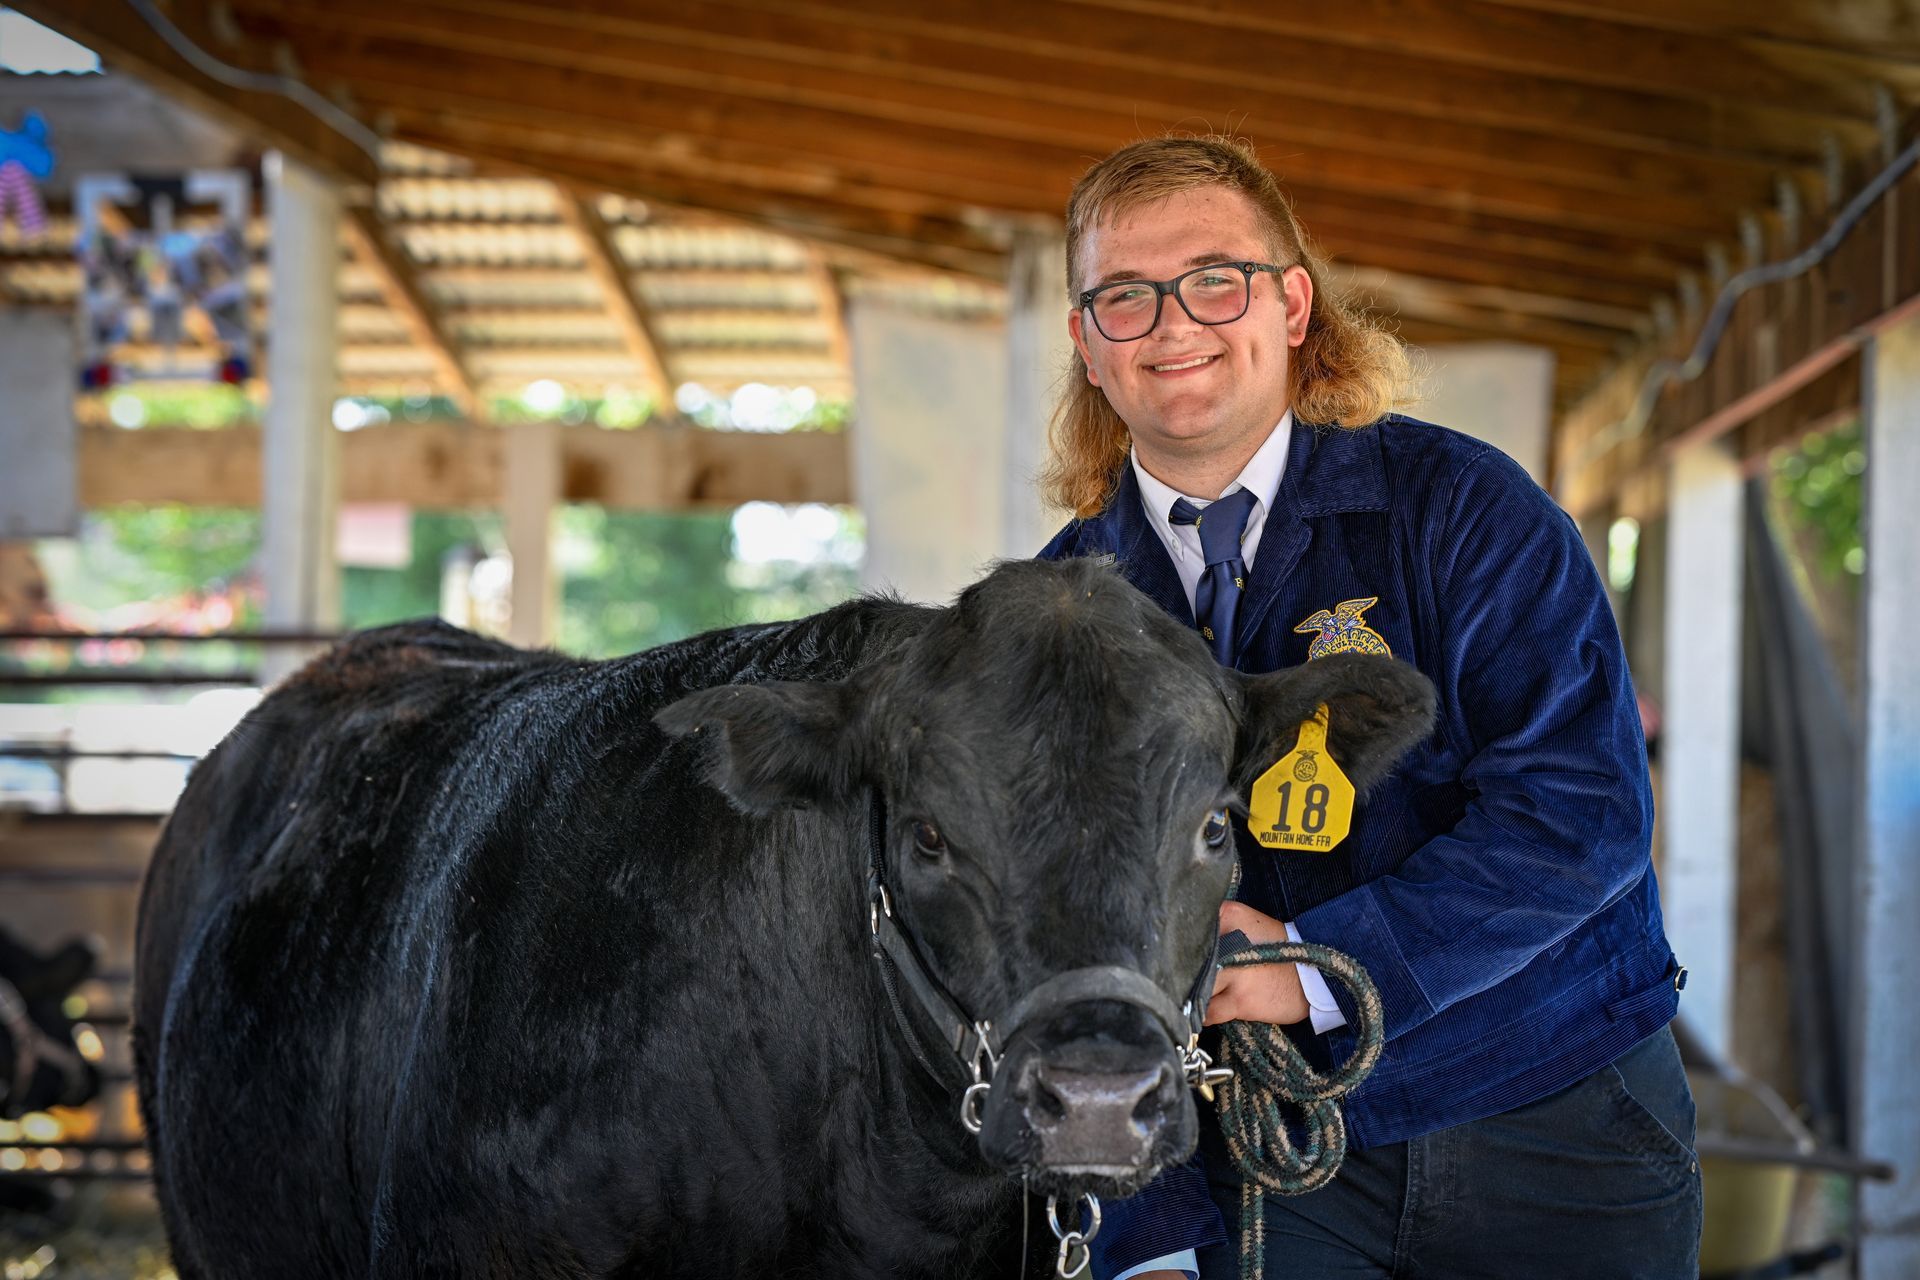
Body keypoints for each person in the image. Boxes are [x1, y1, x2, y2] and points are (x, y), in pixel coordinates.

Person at [1035, 135, 1700, 1280]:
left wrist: (1312, 963)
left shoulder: (1462, 509)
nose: (1173, 324)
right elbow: (1052, 914)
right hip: (1274, 1156)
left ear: (1293, 304)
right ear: (1088, 344)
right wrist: (1139, 1239)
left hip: (1552, 1115)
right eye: (1124, 298)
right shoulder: (1056, 613)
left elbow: (1581, 812)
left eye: (1214, 280)